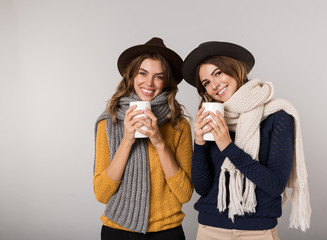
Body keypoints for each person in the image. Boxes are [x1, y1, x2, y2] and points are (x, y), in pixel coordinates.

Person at [182, 41, 311, 240]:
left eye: (218, 73)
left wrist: (227, 146)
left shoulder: (278, 115)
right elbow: (203, 188)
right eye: (206, 82)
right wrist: (199, 143)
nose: (214, 85)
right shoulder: (214, 118)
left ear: (235, 69)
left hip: (258, 232)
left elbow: (276, 184)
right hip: (210, 229)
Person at [93, 37, 193, 240]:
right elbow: (101, 194)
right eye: (143, 73)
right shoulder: (108, 123)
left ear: (166, 82)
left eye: (158, 76)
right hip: (117, 231)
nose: (149, 83)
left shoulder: (179, 125)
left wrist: (159, 141)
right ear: (131, 76)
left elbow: (184, 194)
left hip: (167, 232)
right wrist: (127, 140)